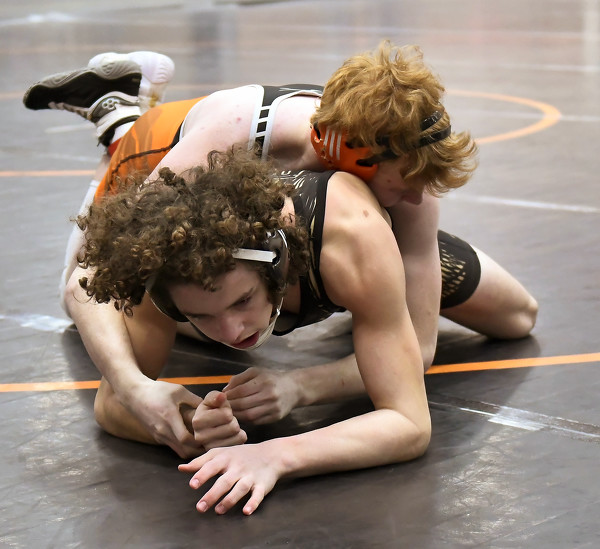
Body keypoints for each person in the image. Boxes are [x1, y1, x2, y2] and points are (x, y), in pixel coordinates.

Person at [23, 44, 538, 459]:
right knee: (104, 305)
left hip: (317, 234)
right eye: (401, 187)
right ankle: (119, 120)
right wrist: (134, 389)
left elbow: (420, 350)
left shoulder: (401, 177)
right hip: (156, 158)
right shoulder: (227, 138)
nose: (417, 201)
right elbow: (85, 282)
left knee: (515, 315)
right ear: (345, 155)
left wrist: (300, 386)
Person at [76, 146, 433, 515]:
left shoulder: (353, 240)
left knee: (477, 307)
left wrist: (278, 452)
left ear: (274, 266)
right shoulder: (170, 266)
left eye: (242, 300)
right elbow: (112, 404)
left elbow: (410, 423)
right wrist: (191, 426)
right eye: (199, 315)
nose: (232, 332)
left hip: (375, 249)